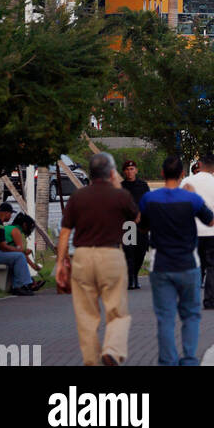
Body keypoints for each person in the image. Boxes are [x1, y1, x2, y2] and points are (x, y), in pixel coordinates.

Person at [56, 151, 139, 366]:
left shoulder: (77, 197)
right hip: (110, 254)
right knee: (117, 311)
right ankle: (111, 349)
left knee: (86, 317)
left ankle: (91, 362)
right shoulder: (120, 195)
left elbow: (65, 232)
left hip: (82, 256)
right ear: (112, 173)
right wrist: (118, 186)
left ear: (90, 174)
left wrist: (61, 264)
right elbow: (136, 217)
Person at [139, 155, 214, 367]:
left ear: (162, 173)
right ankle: (189, 359)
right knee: (190, 315)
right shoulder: (191, 199)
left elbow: (143, 227)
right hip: (188, 264)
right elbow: (210, 220)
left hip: (160, 264)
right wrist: (194, 195)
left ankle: (168, 360)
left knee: (165, 317)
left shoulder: (149, 199)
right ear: (183, 174)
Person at [180, 152, 214, 309]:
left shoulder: (187, 181)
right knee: (212, 267)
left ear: (199, 165)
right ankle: (209, 300)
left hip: (191, 231)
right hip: (212, 232)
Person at [0, 201, 46, 296]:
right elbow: (3, 246)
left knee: (17, 256)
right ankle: (21, 285)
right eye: (10, 214)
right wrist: (22, 252)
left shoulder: (5, 226)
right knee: (19, 256)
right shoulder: (12, 230)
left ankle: (26, 283)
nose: (10, 216)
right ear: (6, 213)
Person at [120, 160, 150, 291]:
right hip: (128, 225)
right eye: (127, 169)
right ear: (124, 172)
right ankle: (130, 279)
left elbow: (148, 203)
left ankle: (135, 275)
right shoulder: (121, 187)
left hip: (142, 225)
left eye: (132, 169)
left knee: (141, 252)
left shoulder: (143, 185)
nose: (129, 172)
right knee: (129, 252)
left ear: (136, 170)